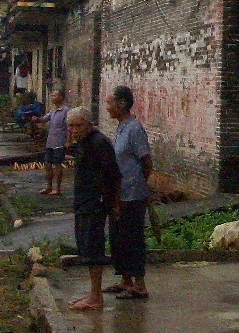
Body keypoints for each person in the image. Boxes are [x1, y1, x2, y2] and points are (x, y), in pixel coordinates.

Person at [66, 106, 120, 312]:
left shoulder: (99, 143)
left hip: (95, 202)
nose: (74, 130)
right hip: (83, 200)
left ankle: (96, 296)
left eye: (78, 125)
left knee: (94, 248)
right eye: (70, 126)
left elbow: (113, 174)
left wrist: (112, 202)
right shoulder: (83, 143)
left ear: (88, 124)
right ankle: (92, 293)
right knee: (86, 248)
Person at [106, 85, 153, 300]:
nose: (107, 107)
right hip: (119, 193)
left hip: (132, 194)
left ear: (122, 103)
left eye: (109, 103)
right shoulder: (121, 127)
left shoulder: (134, 129)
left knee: (133, 238)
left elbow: (146, 162)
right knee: (118, 237)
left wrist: (139, 184)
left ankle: (140, 285)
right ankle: (125, 280)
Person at [37, 87, 69, 196]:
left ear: (60, 98)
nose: (52, 98)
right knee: (47, 164)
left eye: (55, 96)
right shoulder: (53, 111)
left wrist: (68, 141)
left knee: (58, 165)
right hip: (50, 142)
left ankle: (58, 188)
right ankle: (48, 186)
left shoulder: (65, 111)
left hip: (59, 142)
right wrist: (35, 119)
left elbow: (69, 127)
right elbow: (44, 119)